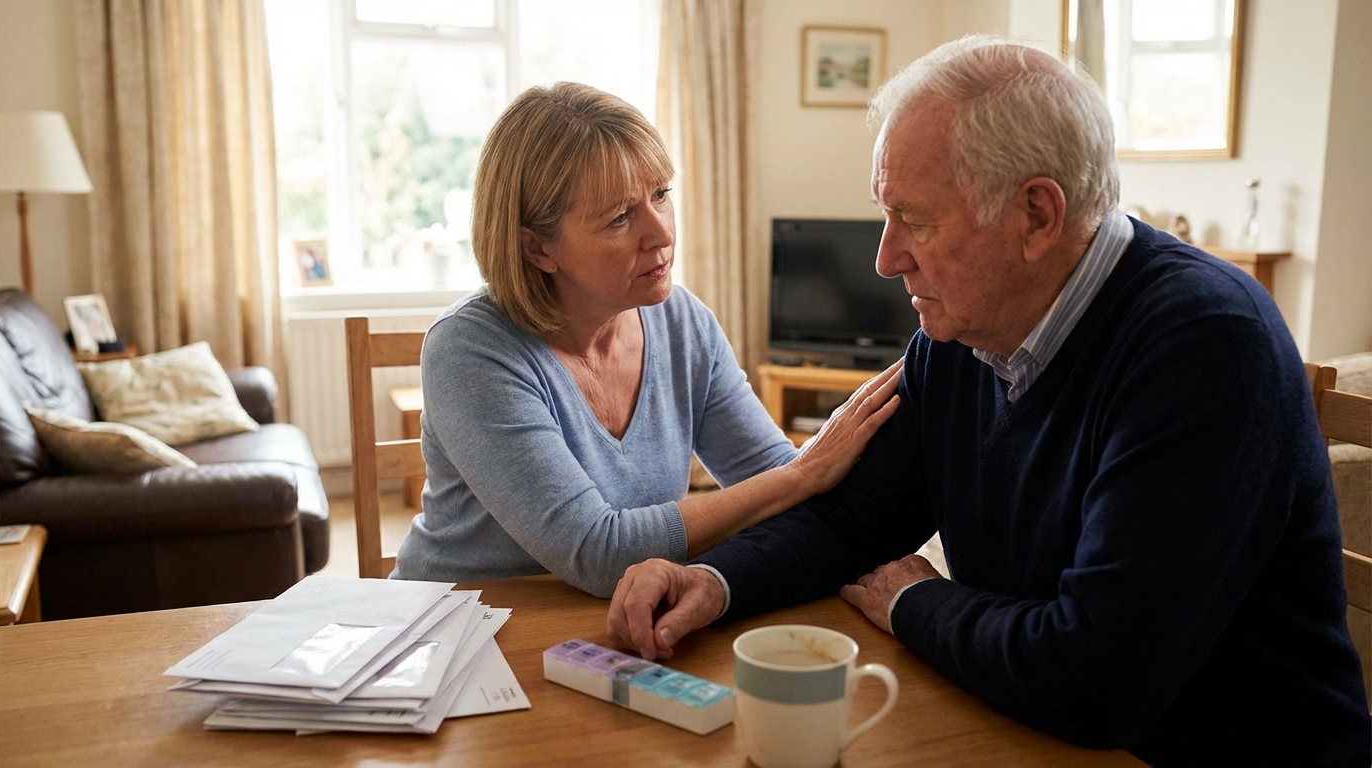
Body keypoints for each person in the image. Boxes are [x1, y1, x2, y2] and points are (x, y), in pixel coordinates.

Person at [606, 37, 1371, 766]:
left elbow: (1094, 678)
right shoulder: (963, 329)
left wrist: (917, 604)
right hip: (1024, 724)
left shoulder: (1204, 341)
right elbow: (856, 518)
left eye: (915, 220)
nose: (884, 257)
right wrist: (715, 580)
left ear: (1037, 216)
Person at [392, 82, 901, 598]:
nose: (660, 233)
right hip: (456, 627)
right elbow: (598, 552)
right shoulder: (470, 351)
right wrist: (805, 471)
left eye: (660, 195)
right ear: (537, 248)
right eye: (619, 217)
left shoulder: (684, 323)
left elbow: (772, 474)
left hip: (615, 622)